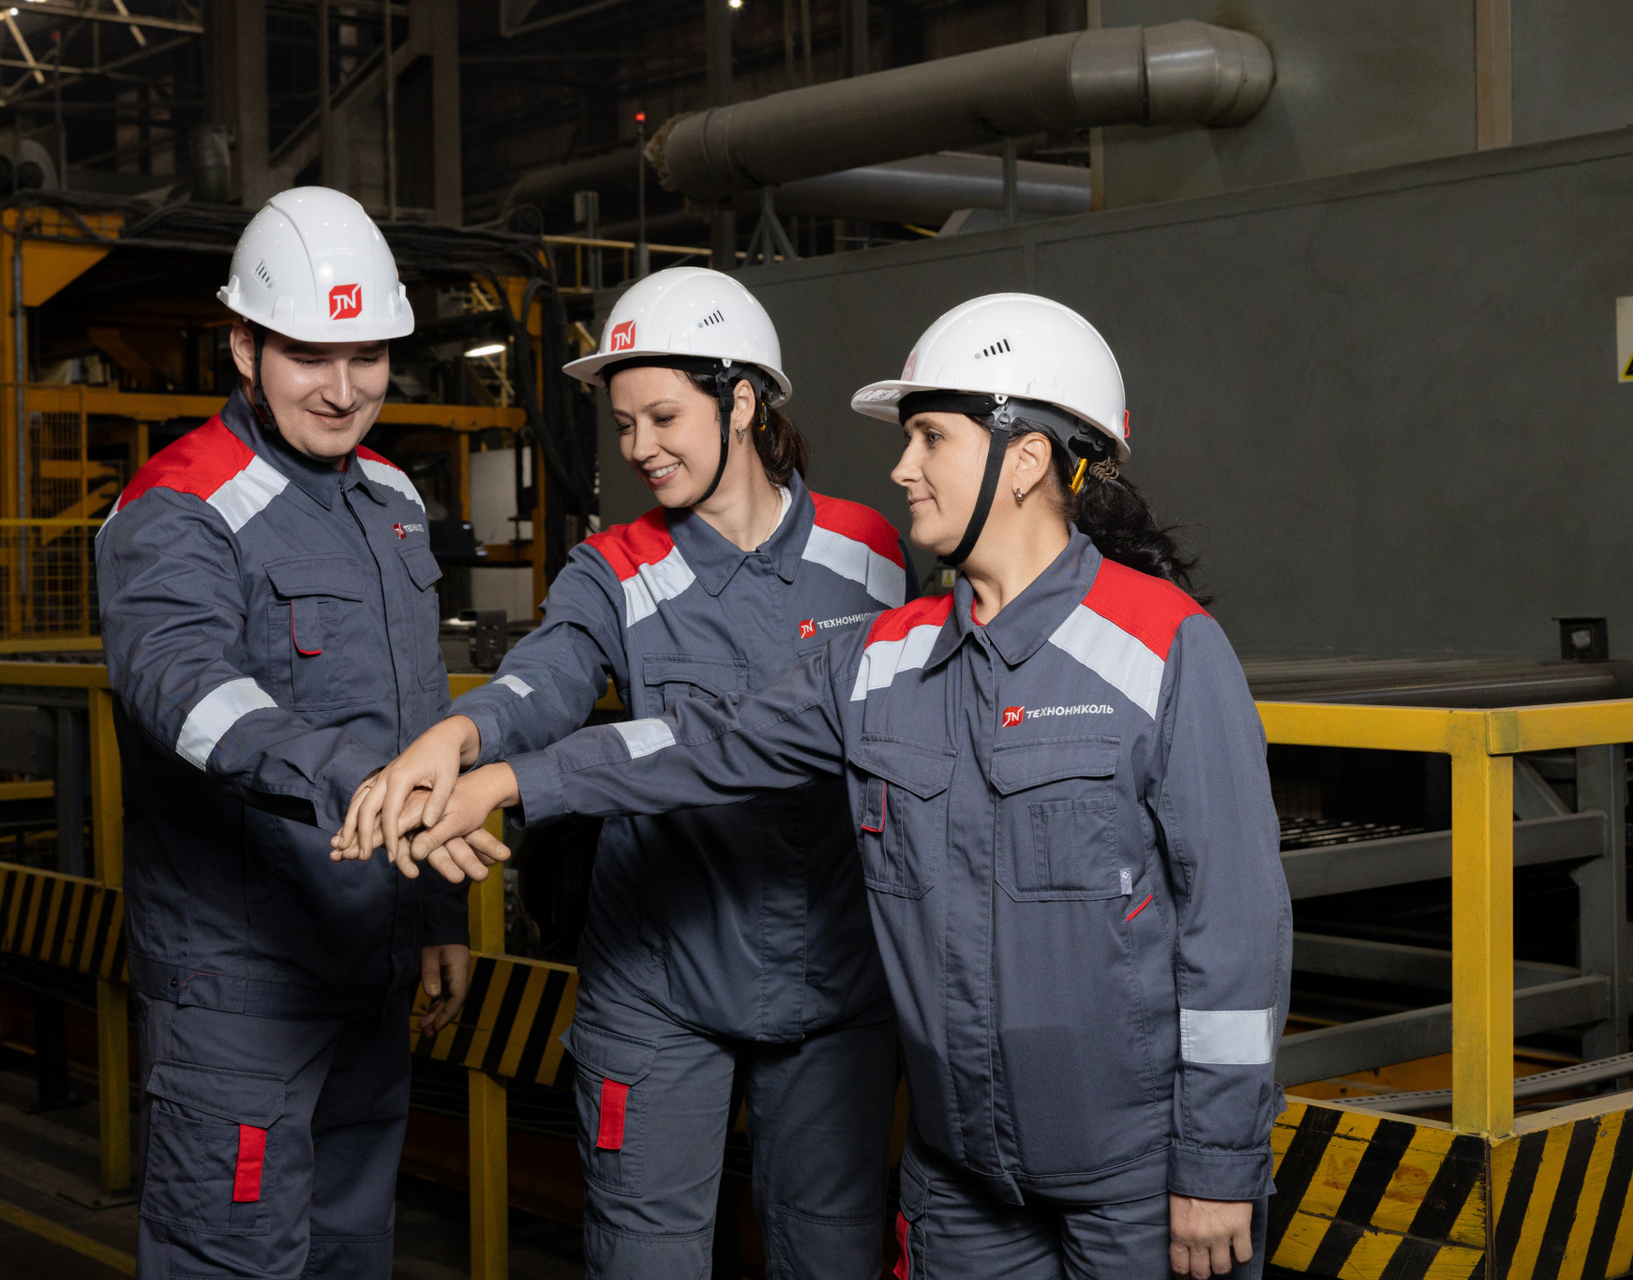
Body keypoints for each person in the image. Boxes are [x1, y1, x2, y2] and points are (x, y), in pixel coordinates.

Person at [377, 294, 1292, 1280]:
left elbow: (1234, 931)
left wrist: (1217, 1161)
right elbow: (706, 736)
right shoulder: (883, 656)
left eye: (929, 438)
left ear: (1025, 458)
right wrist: (502, 773)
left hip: (1122, 1169)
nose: (901, 467)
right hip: (957, 1172)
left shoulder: (1162, 647)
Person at [339, 266, 914, 1278]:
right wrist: (461, 737)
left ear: (743, 402)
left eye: (663, 417)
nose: (640, 447)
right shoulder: (614, 566)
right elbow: (545, 677)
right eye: (624, 424)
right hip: (658, 981)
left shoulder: (871, 552)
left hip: (833, 981)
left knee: (832, 1254)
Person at [95, 187, 492, 1279]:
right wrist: (358, 779)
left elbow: (420, 717)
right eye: (310, 355)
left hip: (370, 959)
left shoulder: (393, 499)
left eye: (368, 356)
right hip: (239, 986)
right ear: (245, 347)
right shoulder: (179, 504)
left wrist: (435, 911)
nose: (344, 388)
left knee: (350, 1250)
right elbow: (182, 689)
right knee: (232, 1258)